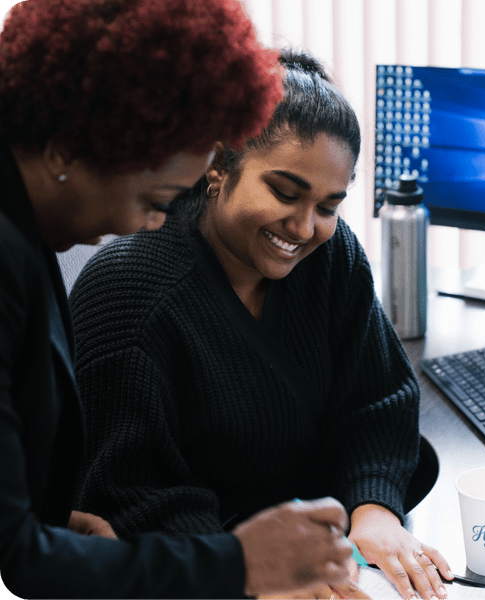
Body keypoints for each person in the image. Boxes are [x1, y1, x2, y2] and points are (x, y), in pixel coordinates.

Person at [0, 2, 354, 598]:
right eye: (157, 197)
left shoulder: (25, 237)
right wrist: (236, 563)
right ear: (65, 151)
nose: (152, 223)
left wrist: (49, 524)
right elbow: (18, 557)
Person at [71, 49, 454, 600]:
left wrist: (374, 513)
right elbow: (134, 496)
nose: (304, 227)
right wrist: (248, 573)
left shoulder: (332, 256)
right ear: (218, 168)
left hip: (325, 549)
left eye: (329, 205)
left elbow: (378, 398)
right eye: (284, 191)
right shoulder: (128, 295)